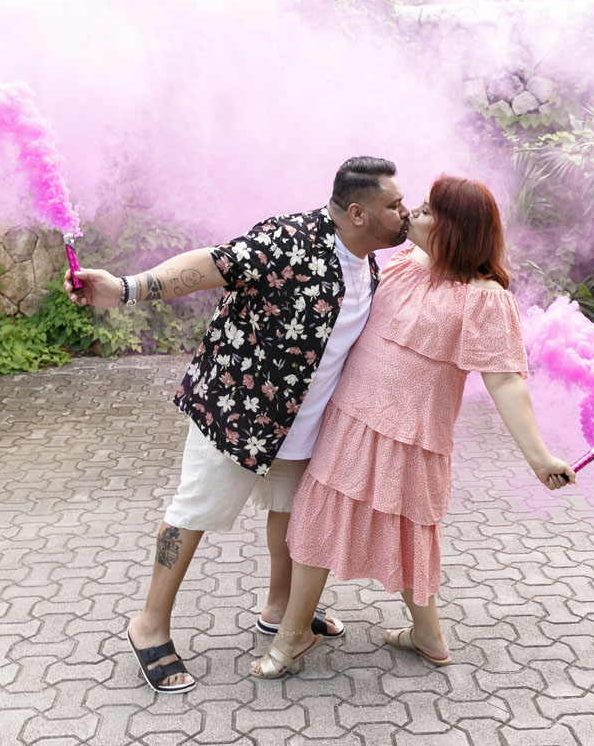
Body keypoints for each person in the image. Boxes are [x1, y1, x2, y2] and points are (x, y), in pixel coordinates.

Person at [67, 157, 412, 693]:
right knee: (192, 514)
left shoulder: (366, 261)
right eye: (394, 205)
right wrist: (126, 289)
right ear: (358, 212)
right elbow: (213, 264)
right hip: (236, 415)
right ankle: (149, 626)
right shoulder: (289, 237)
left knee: (291, 517)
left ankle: (280, 611)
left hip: (306, 425)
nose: (404, 212)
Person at [249, 175, 576, 679]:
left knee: (407, 536)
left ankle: (415, 634)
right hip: (353, 422)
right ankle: (302, 636)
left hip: (413, 439)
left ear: (454, 230)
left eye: (425, 212)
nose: (412, 216)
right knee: (317, 521)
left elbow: (506, 382)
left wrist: (540, 458)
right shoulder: (404, 264)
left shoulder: (484, 298)